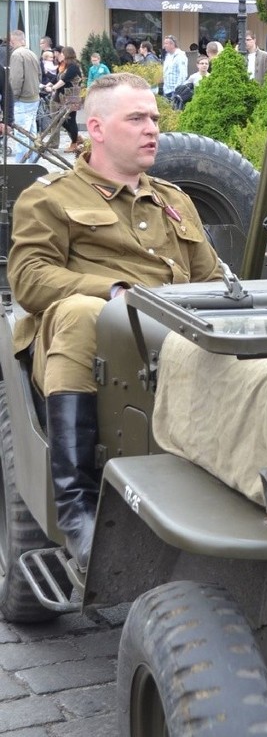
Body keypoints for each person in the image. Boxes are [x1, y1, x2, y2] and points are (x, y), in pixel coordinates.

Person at [7, 73, 220, 570]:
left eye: (155, 119)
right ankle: (77, 505)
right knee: (84, 313)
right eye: (137, 119)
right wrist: (112, 293)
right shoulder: (50, 198)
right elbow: (30, 280)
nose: (153, 130)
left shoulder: (173, 199)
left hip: (173, 338)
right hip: (91, 352)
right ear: (97, 128)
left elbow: (209, 277)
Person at [7, 29, 41, 163]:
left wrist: (12, 97)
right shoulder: (32, 53)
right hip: (34, 96)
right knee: (32, 133)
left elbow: (16, 79)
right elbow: (39, 74)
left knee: (21, 135)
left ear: (13, 41)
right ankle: (32, 163)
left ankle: (21, 166)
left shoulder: (16, 55)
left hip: (23, 99)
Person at [48, 47, 84, 154]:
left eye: (62, 54)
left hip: (71, 97)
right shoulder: (65, 66)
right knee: (60, 120)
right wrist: (48, 84)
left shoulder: (74, 67)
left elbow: (64, 80)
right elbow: (57, 78)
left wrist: (53, 88)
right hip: (62, 97)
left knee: (70, 120)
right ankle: (77, 137)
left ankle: (74, 143)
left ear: (67, 54)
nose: (60, 55)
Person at [161, 35, 188, 100]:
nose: (164, 46)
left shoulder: (180, 56)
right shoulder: (168, 56)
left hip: (175, 91)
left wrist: (177, 90)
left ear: (172, 44)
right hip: (167, 90)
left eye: (166, 44)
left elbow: (183, 75)